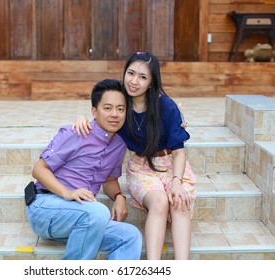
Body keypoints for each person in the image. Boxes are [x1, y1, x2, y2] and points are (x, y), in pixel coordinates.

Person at [73, 52, 197, 260]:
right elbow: (102, 112)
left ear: (151, 82)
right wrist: (82, 117)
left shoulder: (166, 106)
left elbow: (179, 151)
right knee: (159, 201)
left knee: (178, 201)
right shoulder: (121, 104)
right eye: (130, 73)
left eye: (142, 77)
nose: (134, 81)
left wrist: (176, 182)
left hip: (171, 165)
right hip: (141, 167)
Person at [26, 79, 142, 260]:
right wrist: (67, 193)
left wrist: (119, 197)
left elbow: (109, 180)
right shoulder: (77, 132)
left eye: (120, 109)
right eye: (108, 108)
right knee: (98, 211)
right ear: (94, 112)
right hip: (46, 206)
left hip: (83, 216)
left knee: (130, 235)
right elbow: (39, 169)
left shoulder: (119, 145)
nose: (115, 114)